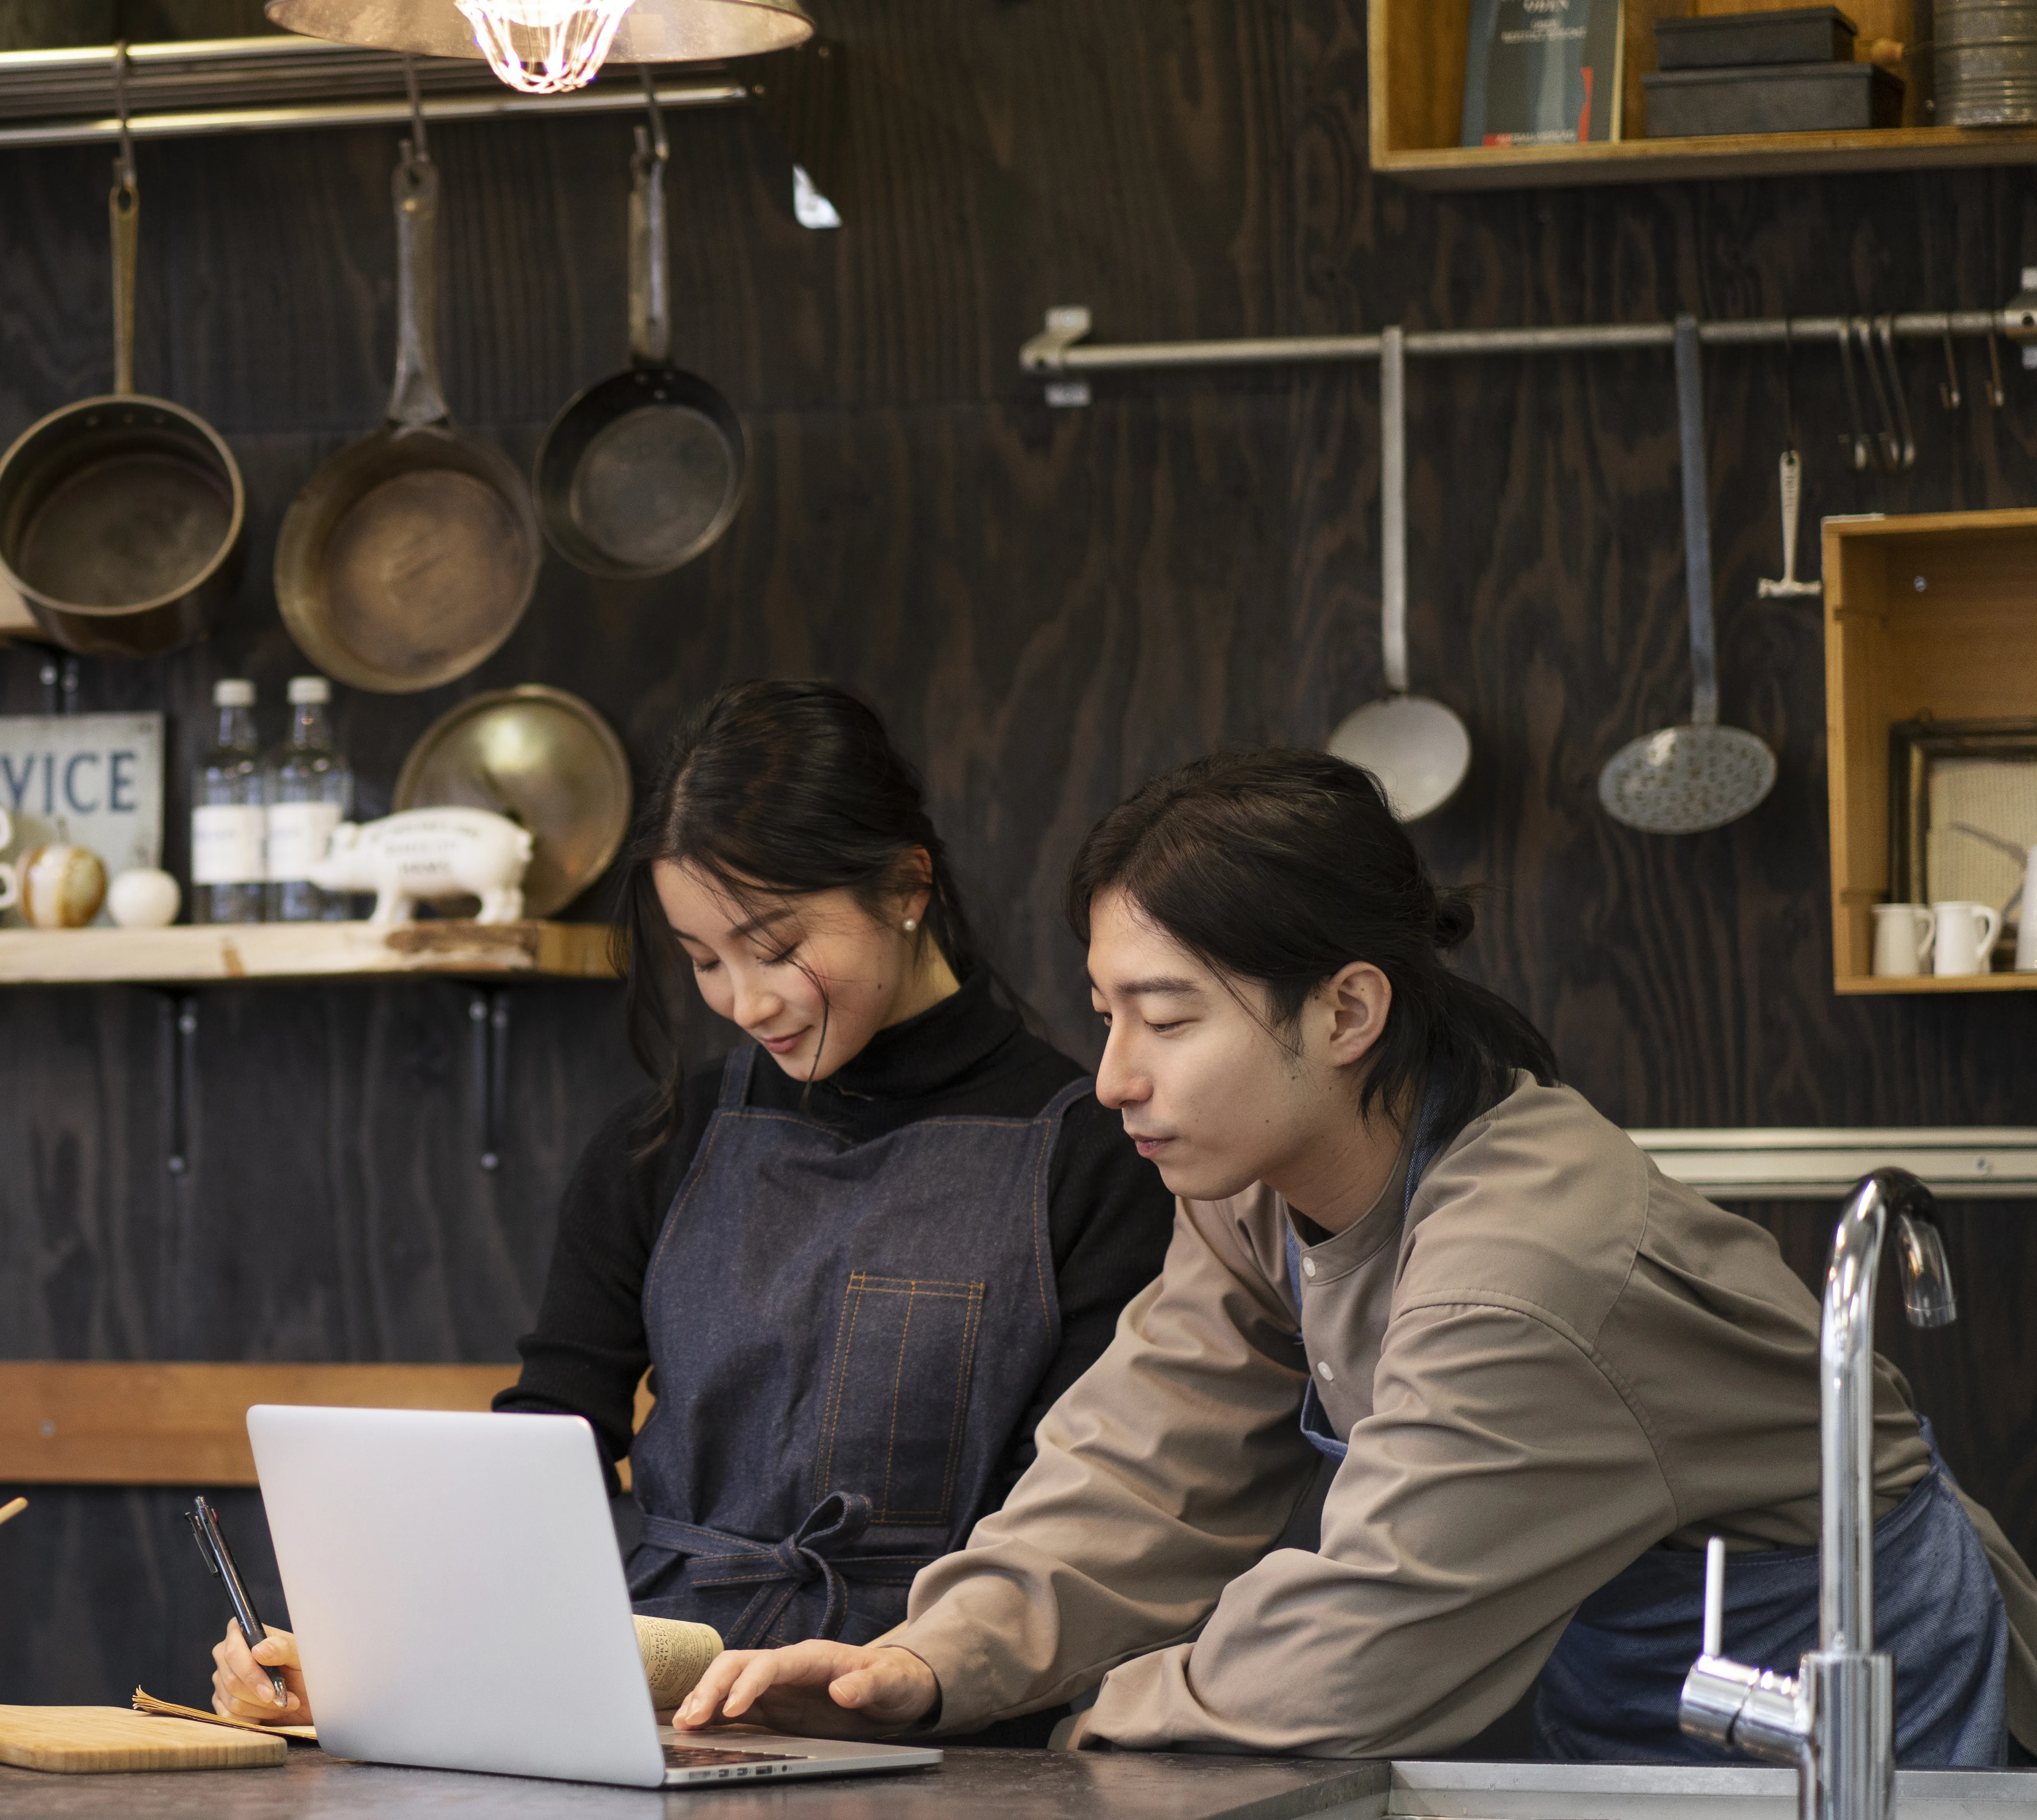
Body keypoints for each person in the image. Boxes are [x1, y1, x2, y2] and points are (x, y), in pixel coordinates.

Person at [678, 748, 2037, 1762]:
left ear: (1344, 1012)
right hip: (1647, 1707)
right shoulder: (1254, 1181)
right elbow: (1141, 1465)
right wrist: (922, 1663)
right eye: (1104, 1015)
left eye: (1164, 1019)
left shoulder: (1524, 1273)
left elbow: (1355, 1647)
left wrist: (1061, 1735)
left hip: (1888, 1717)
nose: (1109, 1080)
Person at [211, 681, 1173, 1723]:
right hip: (659, 1695)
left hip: (940, 1704)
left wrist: (913, 1672)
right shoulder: (660, 1140)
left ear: (905, 887)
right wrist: (370, 1657)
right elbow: (550, 1452)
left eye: (775, 948)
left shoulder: (1094, 1153)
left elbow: (1065, 1526)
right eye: (702, 960)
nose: (745, 1002)